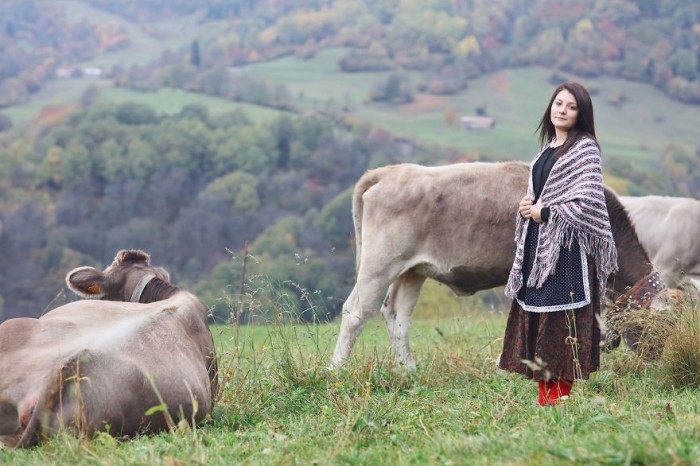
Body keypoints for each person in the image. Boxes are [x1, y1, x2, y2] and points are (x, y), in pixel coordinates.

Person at [499, 82, 618, 406]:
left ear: (581, 114)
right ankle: (546, 401)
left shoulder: (585, 149)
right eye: (558, 103)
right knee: (540, 318)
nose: (562, 110)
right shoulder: (547, 149)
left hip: (568, 252)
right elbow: (542, 195)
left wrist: (547, 211)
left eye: (571, 106)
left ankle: (557, 400)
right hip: (541, 249)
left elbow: (589, 202)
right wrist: (528, 206)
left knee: (562, 324)